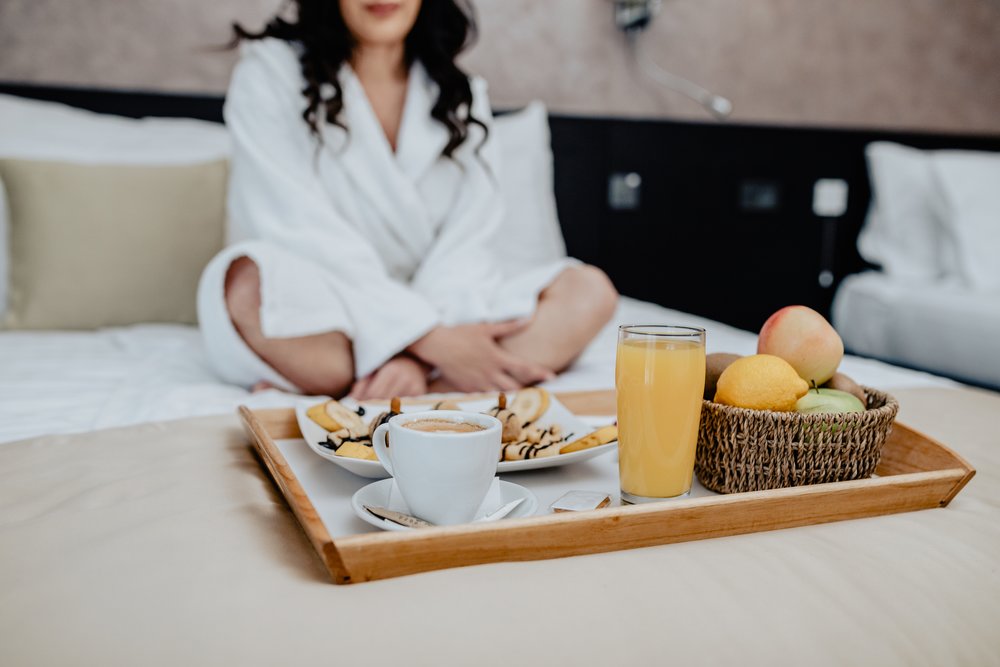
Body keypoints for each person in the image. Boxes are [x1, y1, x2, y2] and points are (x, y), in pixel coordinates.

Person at [197, 0, 617, 401]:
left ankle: (395, 385)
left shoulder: (462, 96)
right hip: (335, 303)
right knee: (245, 290)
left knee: (589, 292)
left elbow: (468, 239)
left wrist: (419, 348)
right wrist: (428, 339)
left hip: (444, 305)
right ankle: (442, 376)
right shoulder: (270, 73)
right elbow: (295, 225)